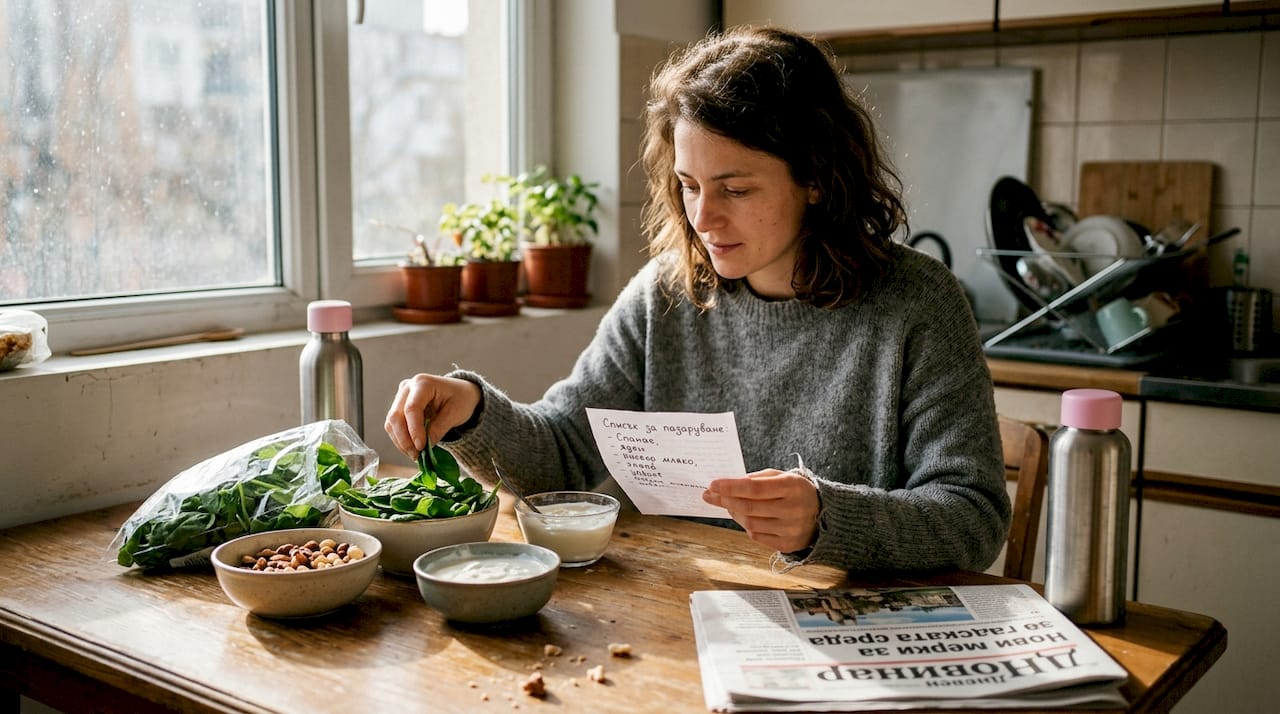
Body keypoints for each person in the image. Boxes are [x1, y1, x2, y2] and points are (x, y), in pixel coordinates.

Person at [385, 25, 1010, 573]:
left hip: (847, 629)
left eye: (735, 190)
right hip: (676, 608)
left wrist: (829, 517)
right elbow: (565, 455)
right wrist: (472, 412)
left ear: (817, 179)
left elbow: (973, 518)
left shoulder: (917, 304)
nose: (703, 218)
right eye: (689, 185)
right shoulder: (665, 294)